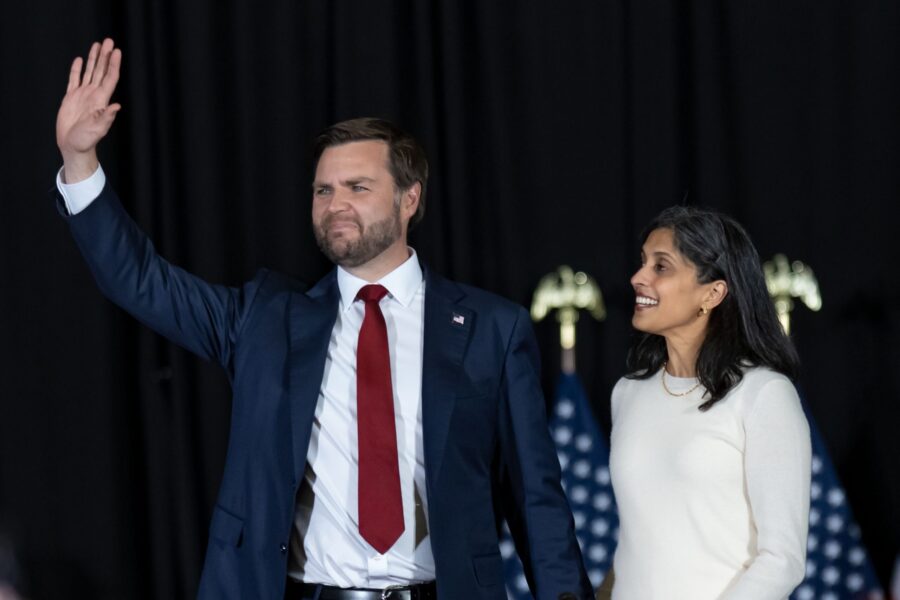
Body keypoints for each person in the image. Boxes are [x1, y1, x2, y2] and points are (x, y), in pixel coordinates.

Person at [54, 39, 592, 600]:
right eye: (323, 190)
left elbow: (538, 504)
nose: (336, 204)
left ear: (410, 199)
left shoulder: (492, 329)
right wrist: (78, 159)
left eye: (358, 188)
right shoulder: (264, 319)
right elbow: (139, 279)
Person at [607, 206, 811, 599]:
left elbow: (782, 559)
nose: (638, 277)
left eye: (661, 266)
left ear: (713, 293)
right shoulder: (628, 393)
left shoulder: (764, 394)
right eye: (642, 262)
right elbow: (640, 544)